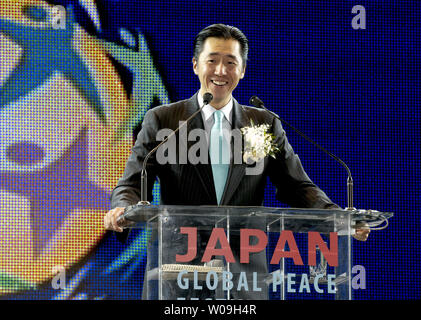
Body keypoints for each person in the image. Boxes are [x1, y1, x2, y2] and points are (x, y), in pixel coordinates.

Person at [104, 24, 370, 298]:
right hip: (178, 274)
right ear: (196, 65)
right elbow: (133, 182)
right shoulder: (164, 120)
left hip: (244, 277)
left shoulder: (263, 124)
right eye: (212, 61)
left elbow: (298, 187)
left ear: (242, 70)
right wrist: (122, 208)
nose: (220, 71)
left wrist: (338, 217)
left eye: (231, 63)